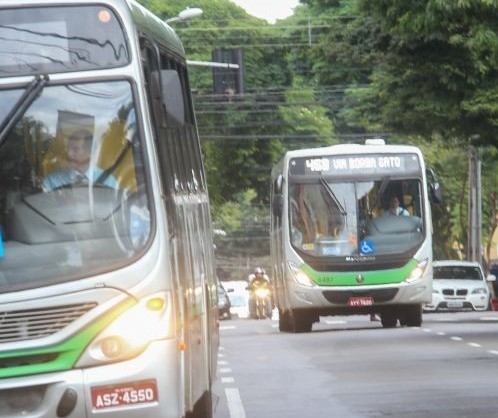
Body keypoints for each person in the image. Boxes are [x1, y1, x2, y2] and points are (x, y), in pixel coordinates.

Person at [42, 128, 118, 192]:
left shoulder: (109, 182)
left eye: (75, 149)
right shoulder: (52, 181)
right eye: (68, 148)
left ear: (90, 153)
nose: (69, 153)